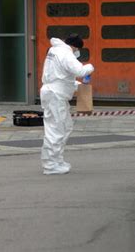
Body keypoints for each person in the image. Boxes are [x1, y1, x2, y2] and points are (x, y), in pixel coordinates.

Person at [40, 34, 94, 175]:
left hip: (54, 93)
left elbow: (61, 76)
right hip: (55, 95)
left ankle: (57, 160)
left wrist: (77, 85)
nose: (77, 53)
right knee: (56, 130)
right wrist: (90, 67)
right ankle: (50, 165)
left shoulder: (54, 51)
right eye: (77, 50)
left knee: (65, 127)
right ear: (75, 47)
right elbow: (80, 71)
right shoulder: (65, 52)